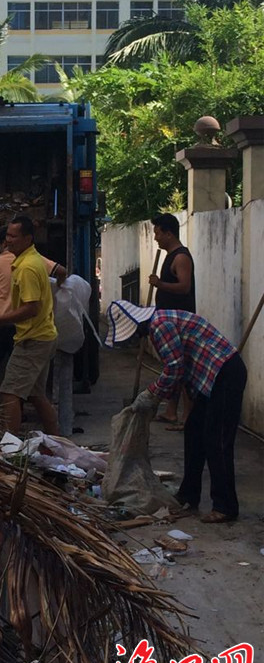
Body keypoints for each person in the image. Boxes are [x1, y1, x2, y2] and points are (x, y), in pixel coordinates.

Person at [105, 300, 247, 523]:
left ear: (138, 325)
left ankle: (226, 506)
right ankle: (189, 494)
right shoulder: (161, 322)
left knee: (216, 440)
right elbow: (182, 371)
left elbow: (174, 368)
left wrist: (152, 394)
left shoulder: (160, 325)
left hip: (224, 374)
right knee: (193, 432)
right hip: (210, 377)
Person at [0, 217, 59, 436]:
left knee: (9, 392)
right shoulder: (32, 260)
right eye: (7, 235)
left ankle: (10, 447)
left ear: (28, 238)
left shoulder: (26, 268)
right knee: (36, 394)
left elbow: (30, 308)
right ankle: (57, 440)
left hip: (33, 339)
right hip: (43, 335)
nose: (8, 241)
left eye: (14, 236)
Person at [149, 213, 196, 429]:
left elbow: (184, 287)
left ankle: (188, 416)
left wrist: (159, 284)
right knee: (174, 365)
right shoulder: (170, 255)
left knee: (183, 368)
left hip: (180, 323)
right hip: (169, 323)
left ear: (168, 233)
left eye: (158, 233)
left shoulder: (181, 257)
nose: (156, 237)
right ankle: (170, 412)